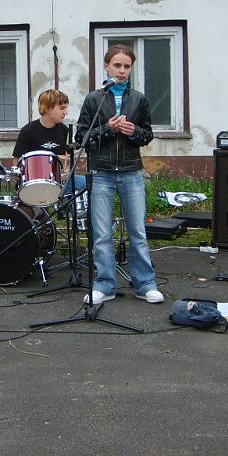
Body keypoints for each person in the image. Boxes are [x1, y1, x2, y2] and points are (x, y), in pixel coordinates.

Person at [75, 44, 162, 304]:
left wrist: (134, 131)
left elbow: (147, 135)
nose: (122, 71)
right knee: (102, 234)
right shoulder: (95, 99)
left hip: (131, 171)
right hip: (101, 172)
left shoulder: (139, 99)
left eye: (126, 66)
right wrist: (107, 129)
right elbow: (82, 137)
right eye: (117, 66)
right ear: (106, 67)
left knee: (138, 232)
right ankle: (105, 285)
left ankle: (145, 284)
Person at [13, 89, 85, 195]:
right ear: (47, 108)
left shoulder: (64, 130)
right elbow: (16, 163)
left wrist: (66, 171)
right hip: (34, 183)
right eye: (62, 108)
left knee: (87, 183)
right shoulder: (28, 131)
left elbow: (65, 161)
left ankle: (70, 205)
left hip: (57, 181)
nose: (66, 112)